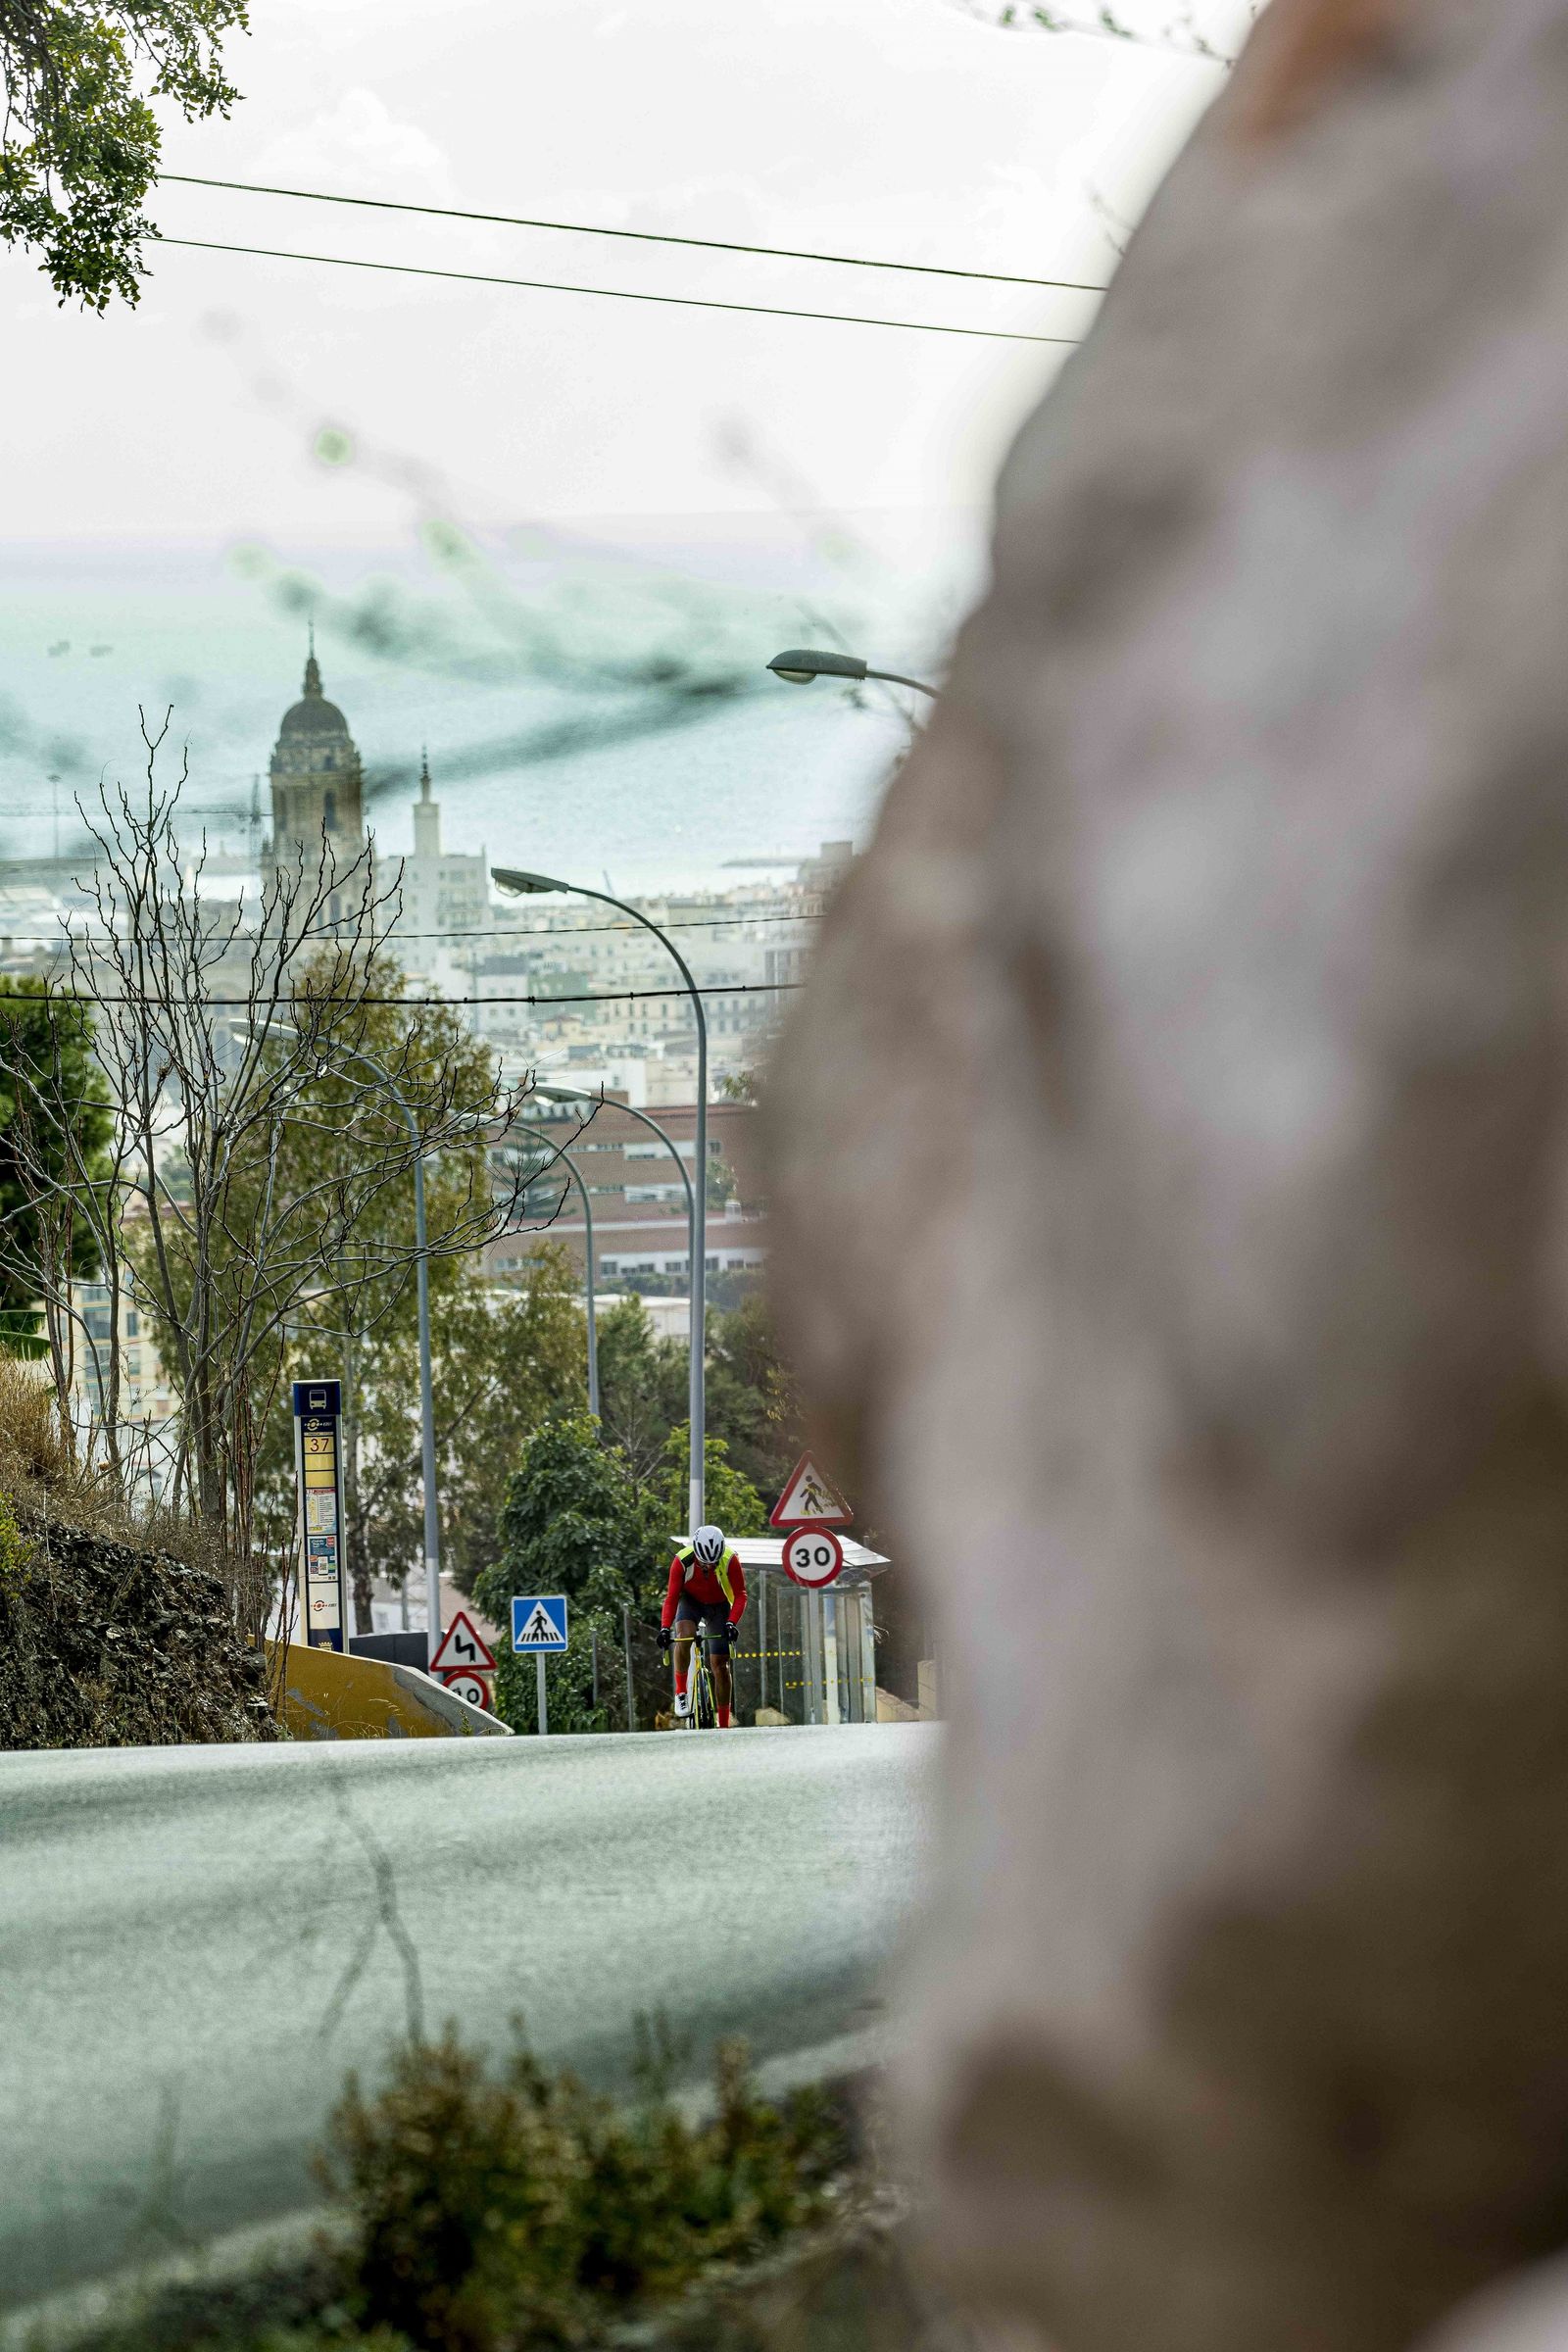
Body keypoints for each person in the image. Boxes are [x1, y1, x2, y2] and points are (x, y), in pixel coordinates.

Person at [660, 1523, 746, 1726]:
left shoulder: (730, 1560)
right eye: (705, 1563)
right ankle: (681, 1692)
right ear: (696, 1554)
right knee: (685, 1636)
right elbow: (671, 1598)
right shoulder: (682, 1561)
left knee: (721, 1666)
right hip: (691, 1602)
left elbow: (741, 1595)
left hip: (719, 1605)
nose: (710, 1567)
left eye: (714, 1563)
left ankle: (723, 1721)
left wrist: (732, 1623)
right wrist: (664, 1627)